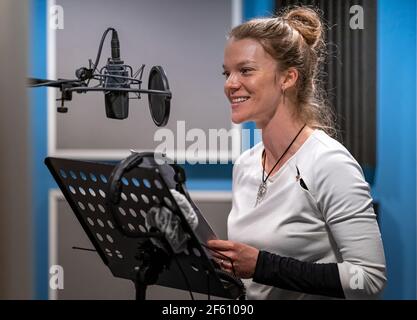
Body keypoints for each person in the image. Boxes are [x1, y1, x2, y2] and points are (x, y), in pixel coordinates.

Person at [207, 6, 386, 299]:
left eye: (245, 70)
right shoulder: (245, 164)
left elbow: (368, 278)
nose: (230, 84)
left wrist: (263, 265)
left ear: (288, 78)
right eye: (227, 73)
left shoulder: (329, 163)